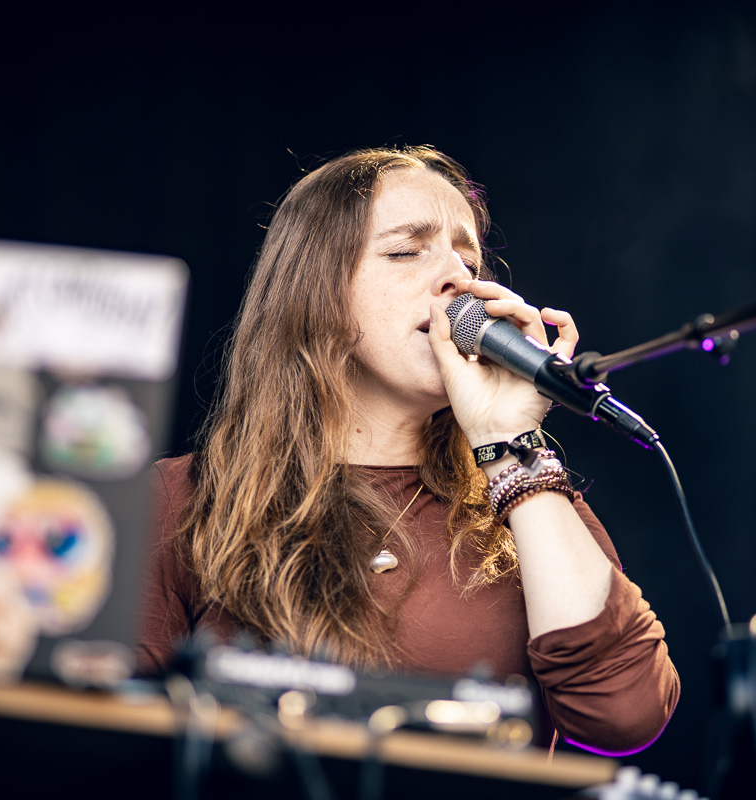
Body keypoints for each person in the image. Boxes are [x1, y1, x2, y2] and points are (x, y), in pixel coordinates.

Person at [136, 145, 679, 755]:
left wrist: (509, 442)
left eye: (468, 260)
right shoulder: (183, 497)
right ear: (315, 292)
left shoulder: (532, 504)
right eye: (405, 251)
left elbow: (625, 714)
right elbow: (102, 726)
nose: (456, 277)